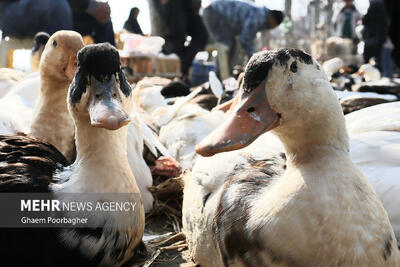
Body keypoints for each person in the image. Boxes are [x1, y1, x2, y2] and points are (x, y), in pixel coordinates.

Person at [202, 0, 283, 69]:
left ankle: (223, 74)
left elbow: (247, 38)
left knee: (230, 45)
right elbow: (245, 38)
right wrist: (255, 58)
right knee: (226, 44)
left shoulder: (260, 15)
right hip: (214, 12)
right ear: (272, 17)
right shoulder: (259, 17)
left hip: (214, 11)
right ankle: (221, 76)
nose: (272, 28)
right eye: (274, 25)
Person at [158, 0, 208, 81]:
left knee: (201, 35)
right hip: (174, 3)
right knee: (176, 38)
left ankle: (181, 71)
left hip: (189, 4)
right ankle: (171, 77)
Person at [362, 0, 387, 70]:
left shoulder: (372, 7)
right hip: (378, 39)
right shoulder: (383, 9)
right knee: (379, 59)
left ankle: (365, 73)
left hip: (370, 38)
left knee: (366, 59)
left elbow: (364, 20)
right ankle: (379, 72)